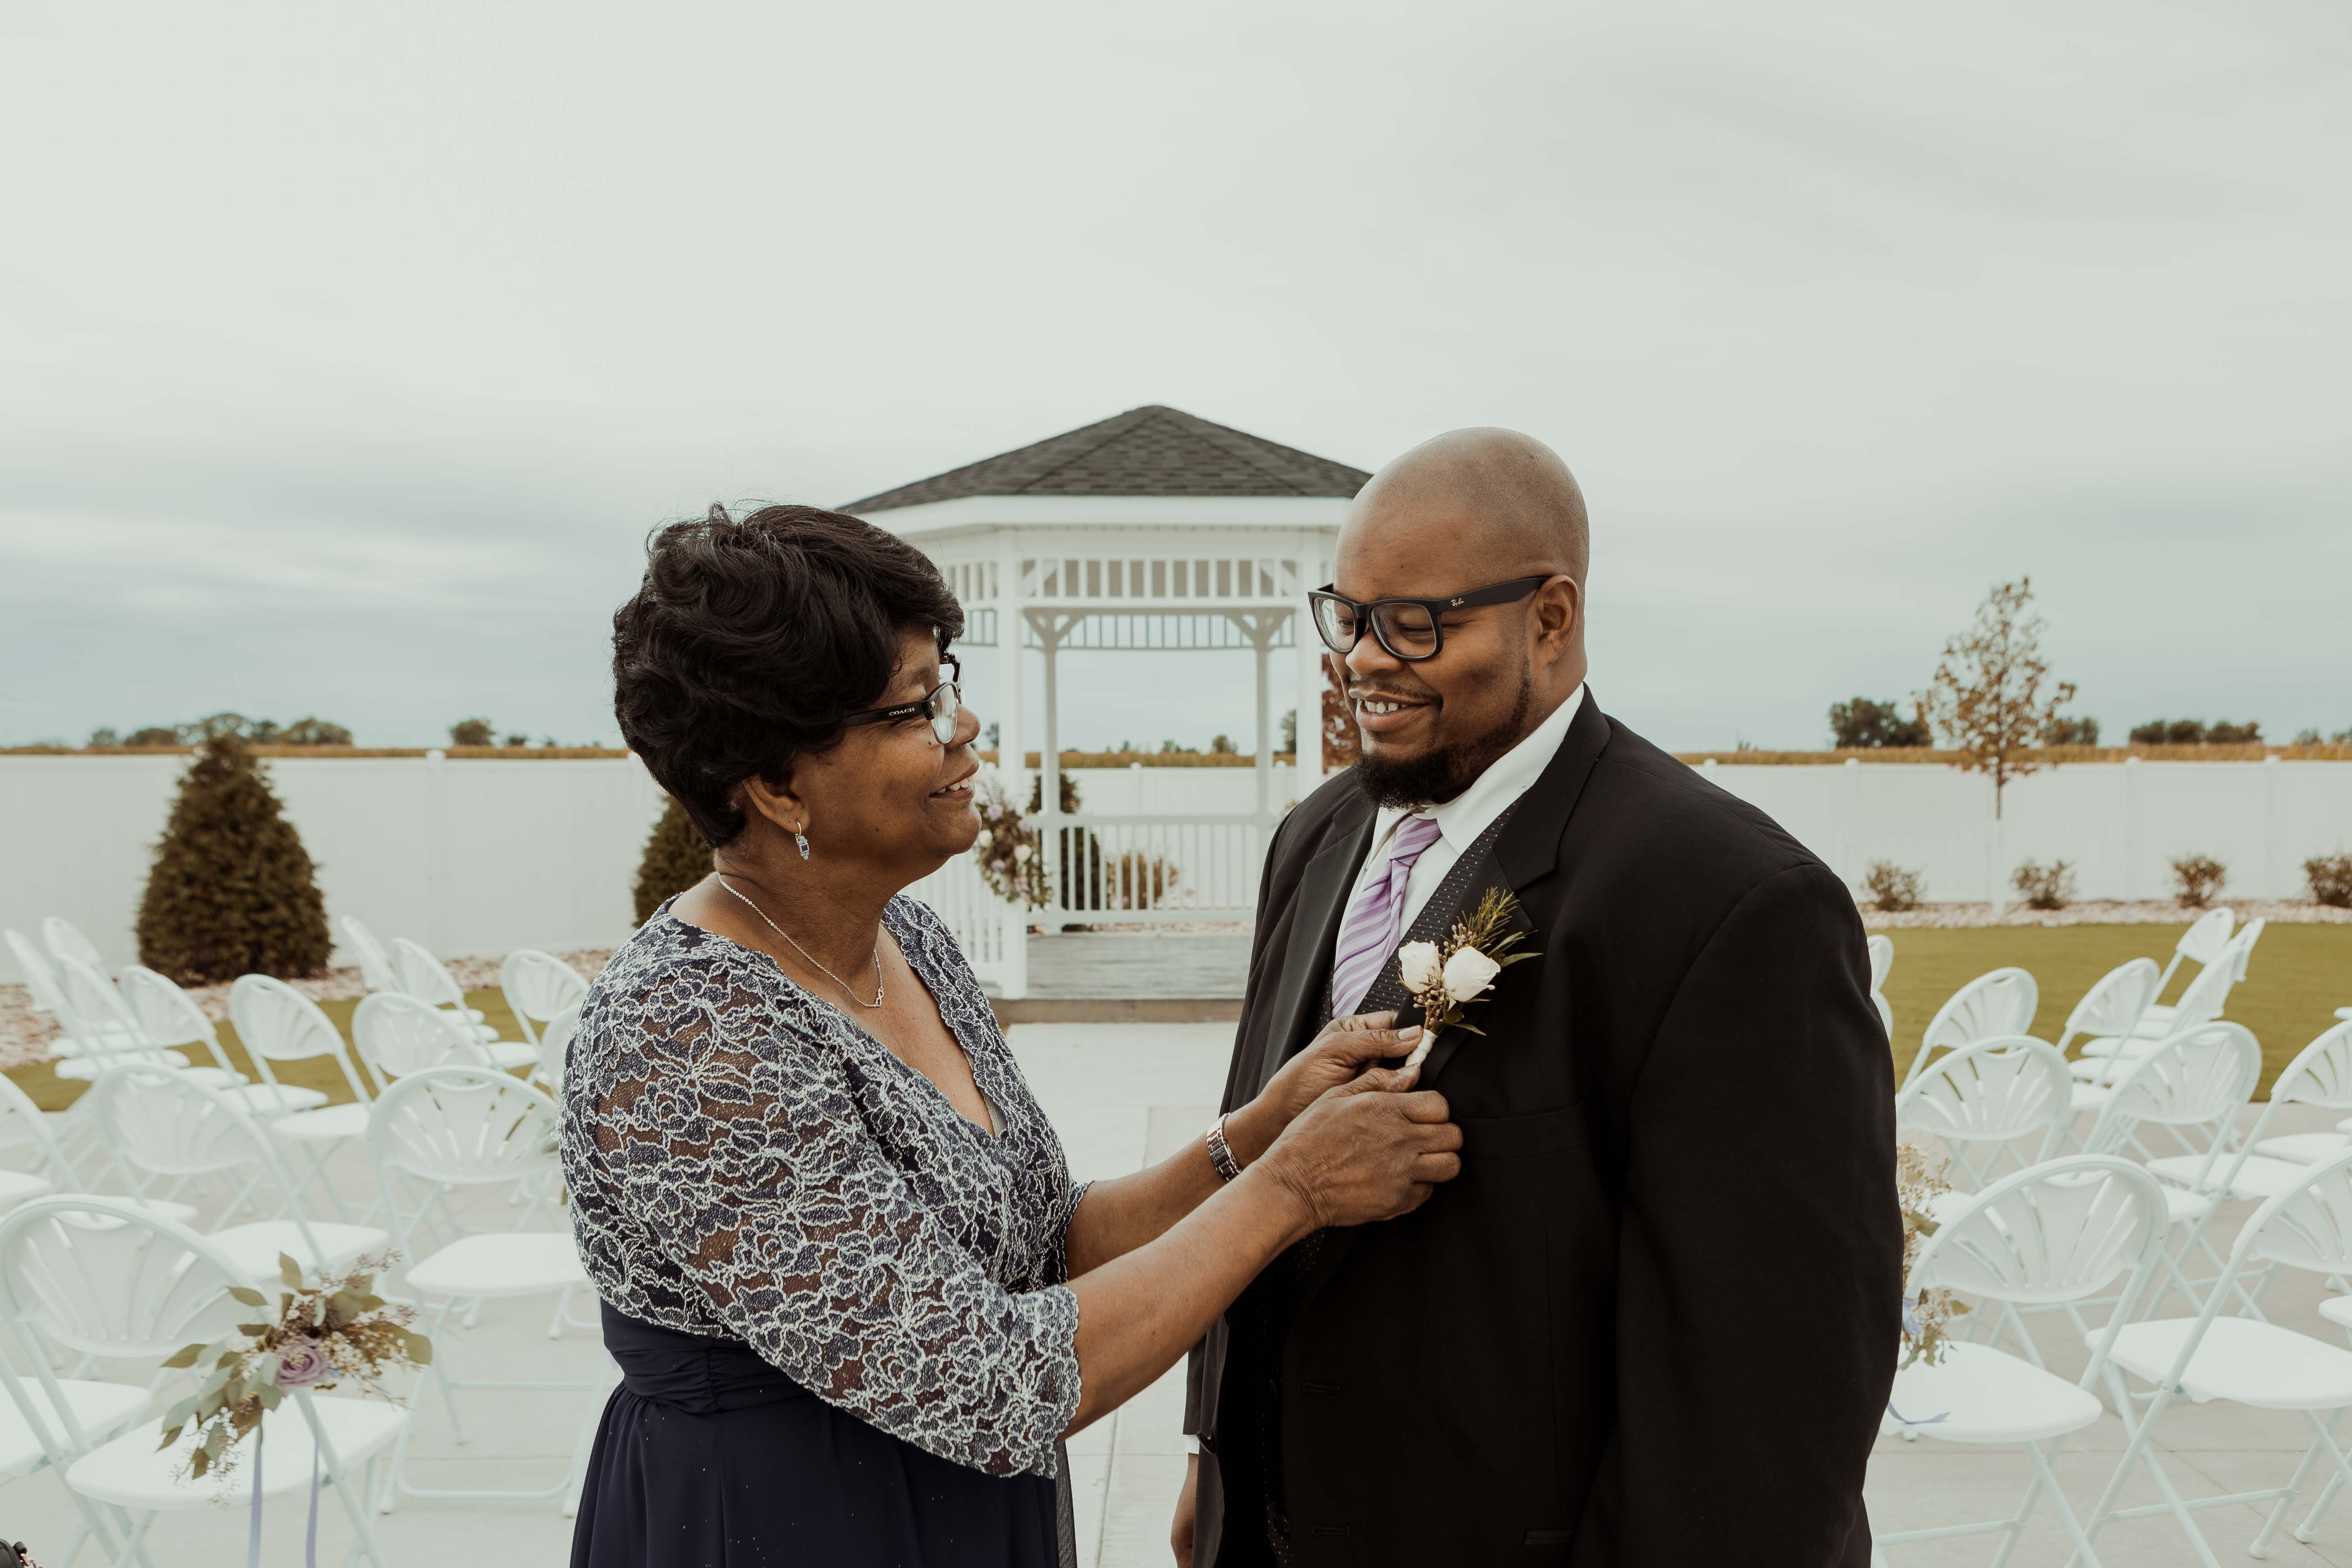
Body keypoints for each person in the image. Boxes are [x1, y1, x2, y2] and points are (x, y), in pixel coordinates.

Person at [561, 503, 1464, 1568]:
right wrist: (1293, 1191)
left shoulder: (907, 937)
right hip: (780, 1520)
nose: (964, 725)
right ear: (774, 784)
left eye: (949, 680)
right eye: (914, 709)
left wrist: (1257, 1135)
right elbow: (992, 1382)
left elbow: (1042, 1245)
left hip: (964, 1516)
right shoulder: (684, 1036)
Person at [1175, 432, 1901, 1567]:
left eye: (1417, 623)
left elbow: (1772, 1386)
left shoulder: (1731, 900)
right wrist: (1213, 1457)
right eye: (1348, 615)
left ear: (1551, 618)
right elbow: (1267, 1171)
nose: (1364, 659)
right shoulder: (1313, 838)